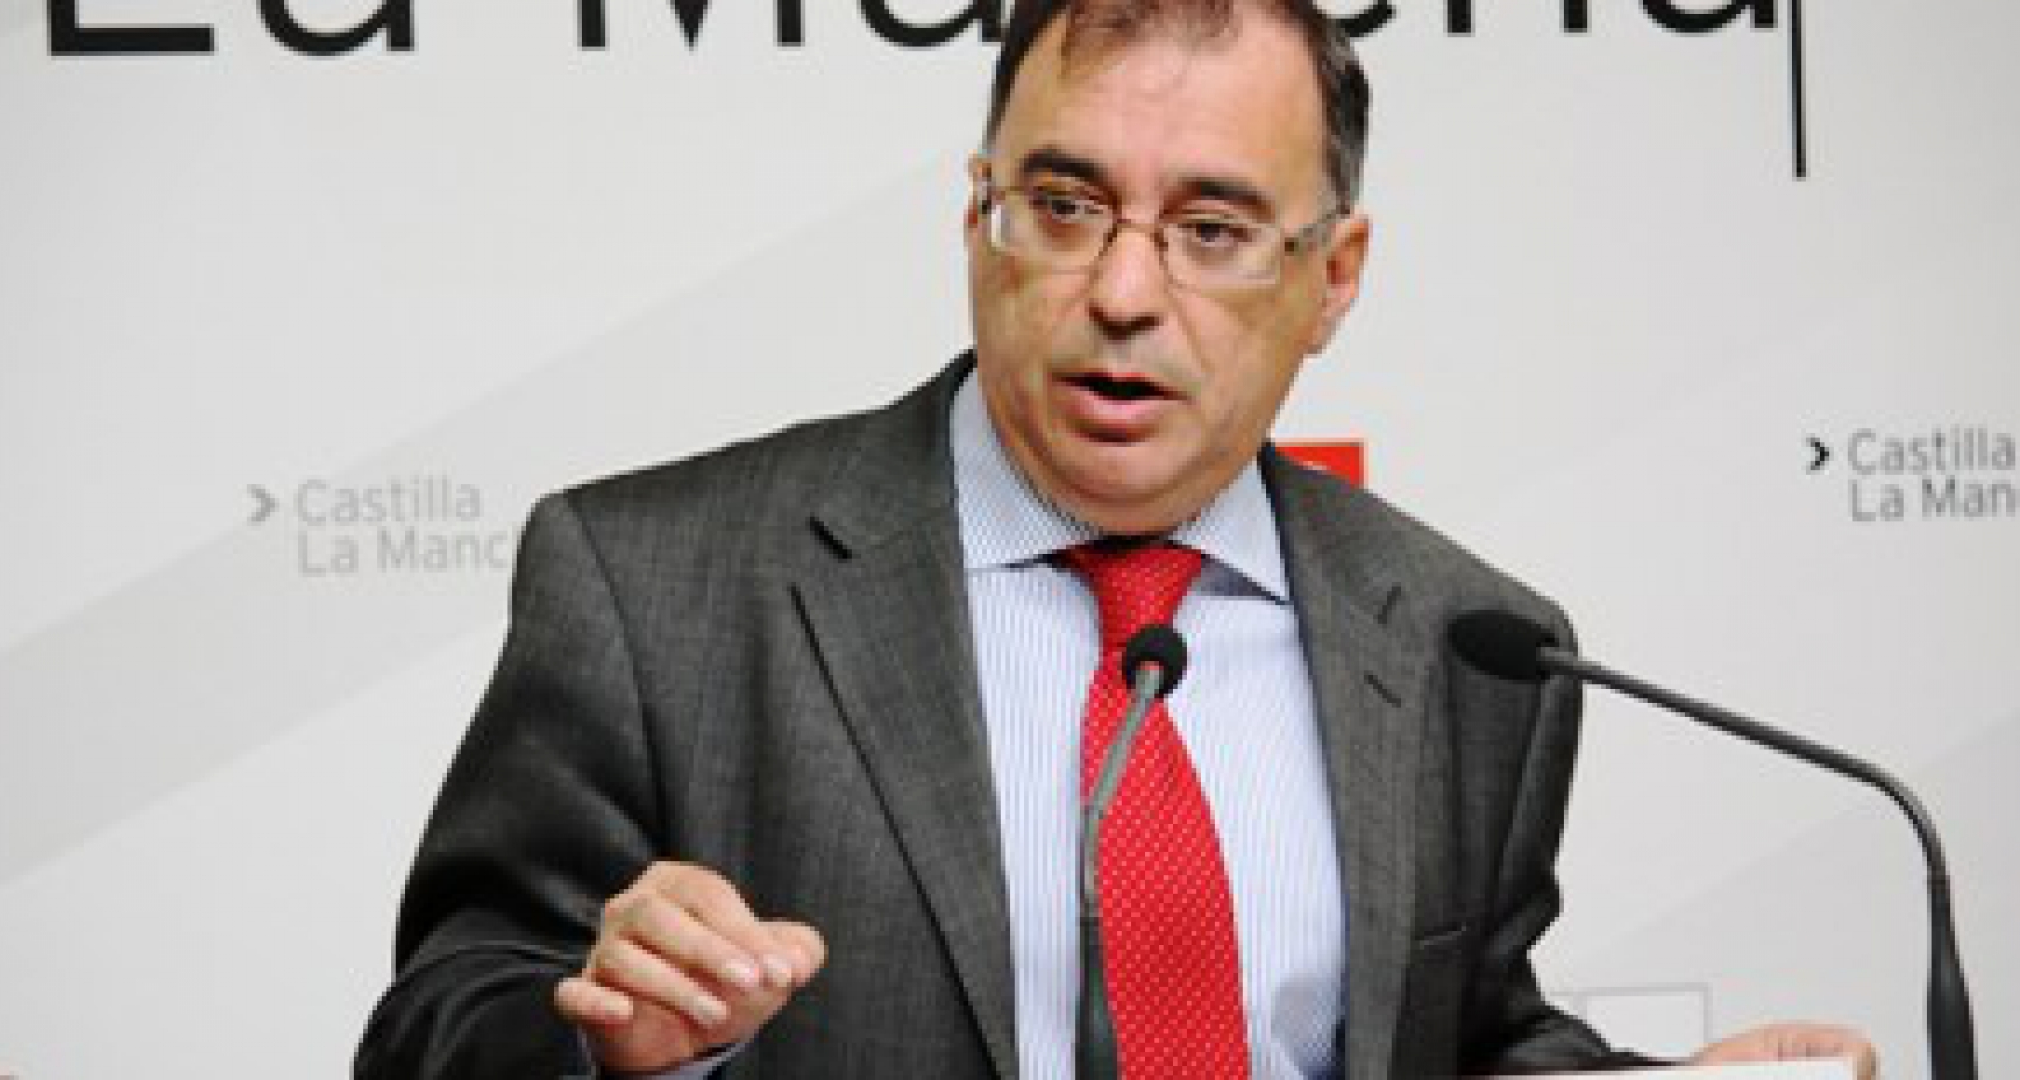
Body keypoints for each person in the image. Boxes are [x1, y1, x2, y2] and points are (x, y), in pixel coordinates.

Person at [356, 1, 1879, 1076]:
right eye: (1066, 205)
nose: (1125, 293)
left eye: (1212, 231)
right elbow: (438, 1025)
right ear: (978, 218)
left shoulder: (1462, 641)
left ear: (1334, 277)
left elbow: (1464, 1042)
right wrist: (611, 1050)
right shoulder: (655, 583)